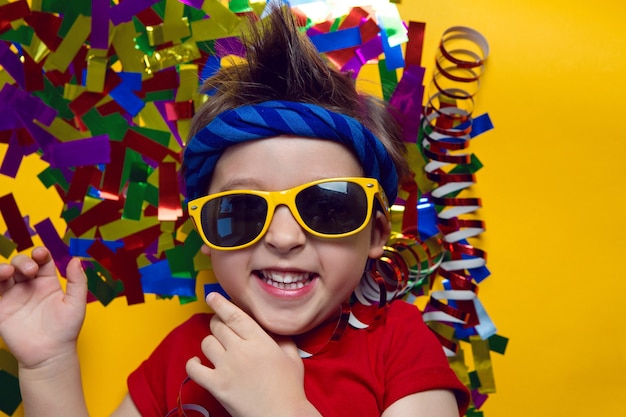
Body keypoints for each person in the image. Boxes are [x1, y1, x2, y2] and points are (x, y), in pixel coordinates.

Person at [0, 6, 470, 417]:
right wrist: (48, 365)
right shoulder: (187, 353)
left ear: (374, 233)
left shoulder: (399, 347)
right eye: (243, 209)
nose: (284, 238)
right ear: (206, 229)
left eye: (327, 206)